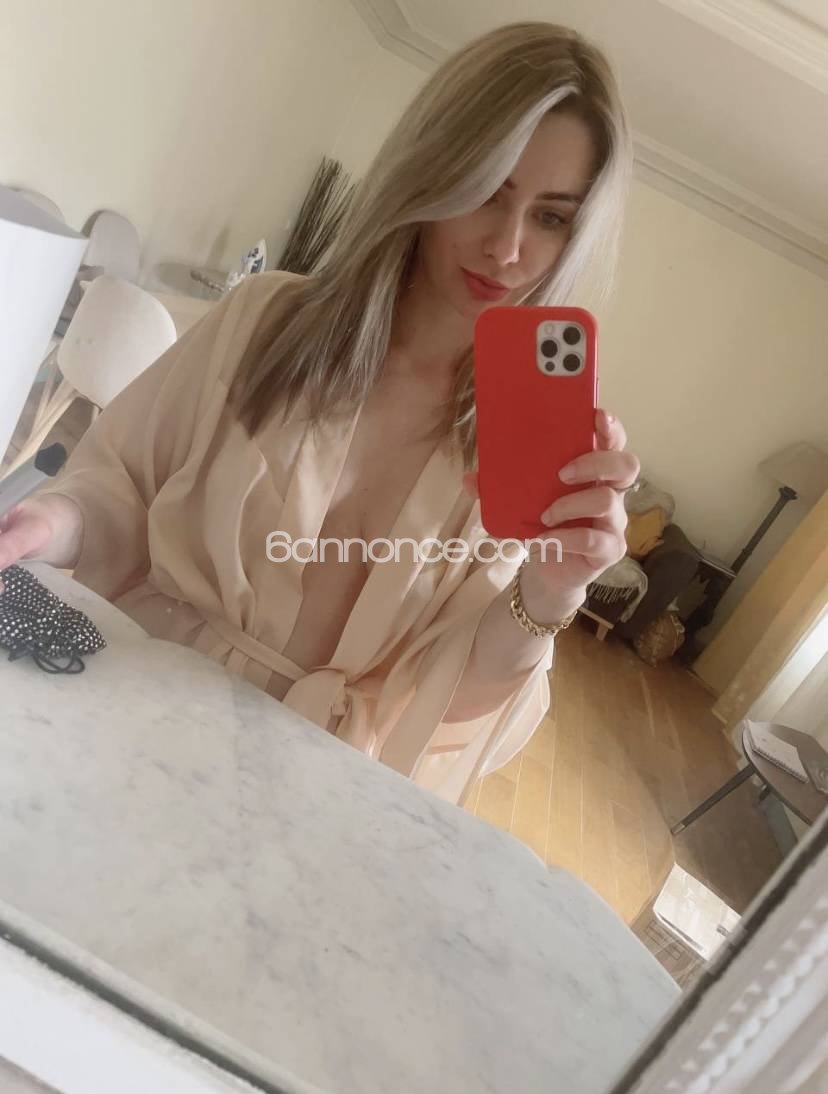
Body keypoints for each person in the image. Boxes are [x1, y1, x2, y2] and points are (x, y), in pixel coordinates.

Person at [0, 21, 639, 804]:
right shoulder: (268, 320)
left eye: (551, 216)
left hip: (302, 790)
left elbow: (455, 706)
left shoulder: (522, 445)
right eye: (488, 192)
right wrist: (50, 522)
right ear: (432, 172)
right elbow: (123, 483)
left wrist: (553, 593)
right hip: (132, 702)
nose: (506, 248)